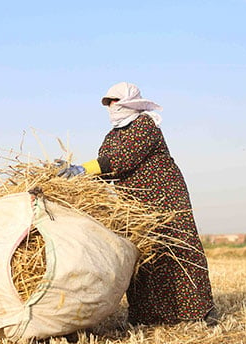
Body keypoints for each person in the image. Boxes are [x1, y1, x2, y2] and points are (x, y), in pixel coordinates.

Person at [59, 82, 218, 326]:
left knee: (178, 248)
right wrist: (74, 177)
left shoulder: (146, 125)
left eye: (115, 102)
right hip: (133, 205)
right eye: (108, 103)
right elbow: (106, 168)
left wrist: (84, 169)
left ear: (129, 103)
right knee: (143, 256)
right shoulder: (112, 135)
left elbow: (121, 159)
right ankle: (148, 316)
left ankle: (198, 312)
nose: (111, 107)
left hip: (164, 197)